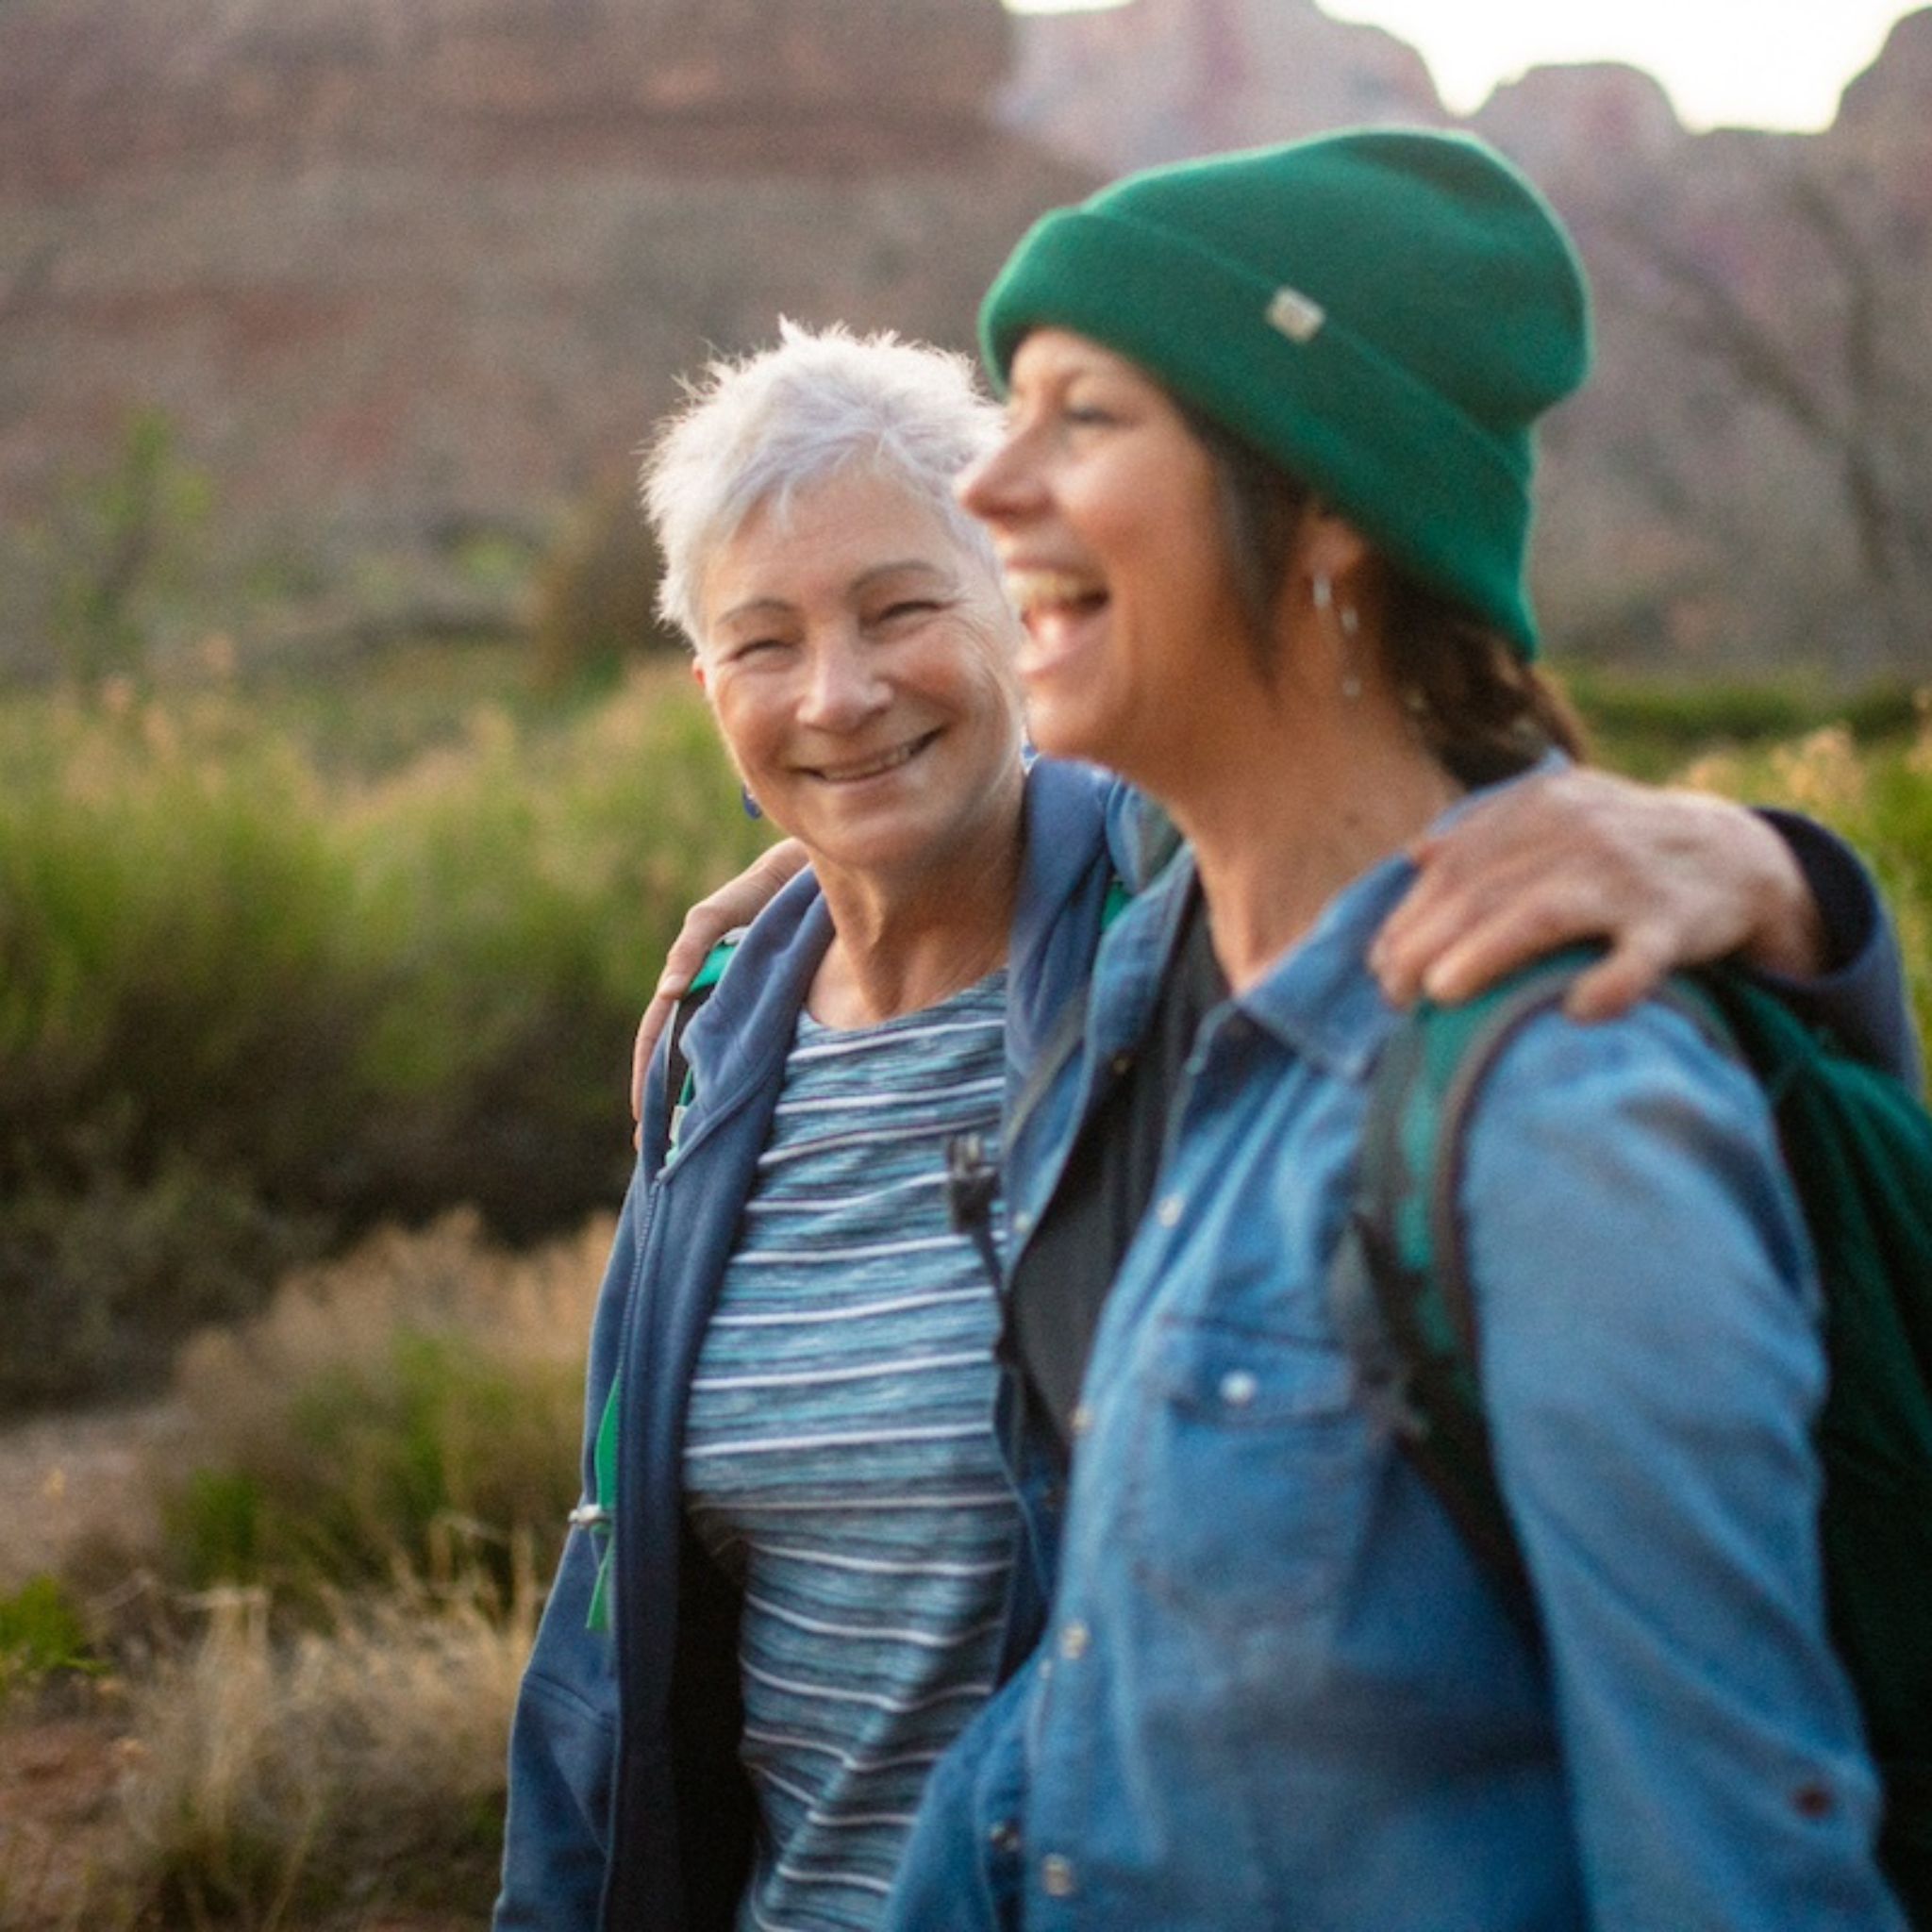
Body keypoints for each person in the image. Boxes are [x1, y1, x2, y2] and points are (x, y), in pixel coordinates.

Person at [495, 313, 1909, 1932]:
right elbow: (612, 1616)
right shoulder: (718, 1034)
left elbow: (1366, 780)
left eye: (903, 612)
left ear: (1021, 616)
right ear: (705, 689)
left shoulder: (1176, 941)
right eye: (765, 644)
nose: (839, 693)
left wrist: (1779, 886)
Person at [867, 129, 1912, 1930]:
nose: (986, 489)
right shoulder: (1153, 992)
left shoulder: (1562, 1107)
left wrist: (1777, 875)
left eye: (1086, 417)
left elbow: (1735, 1860)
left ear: (1336, 504)